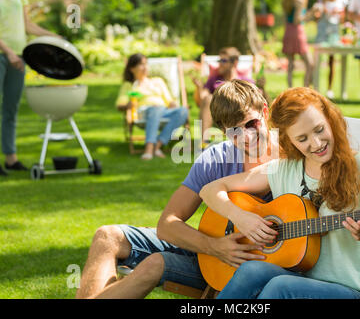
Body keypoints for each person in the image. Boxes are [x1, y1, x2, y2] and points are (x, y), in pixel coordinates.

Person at [199, 87, 360, 299]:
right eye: (302, 139)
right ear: (289, 141)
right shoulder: (284, 169)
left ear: (330, 121)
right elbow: (210, 190)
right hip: (305, 281)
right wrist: (241, 217)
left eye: (320, 130)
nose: (317, 143)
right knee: (251, 270)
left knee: (280, 287)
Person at [76, 80, 279, 298]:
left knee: (155, 263)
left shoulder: (293, 155)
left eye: (251, 124)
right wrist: (213, 246)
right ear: (222, 131)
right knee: (107, 237)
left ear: (264, 111)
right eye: (234, 131)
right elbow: (167, 224)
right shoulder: (215, 159)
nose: (246, 137)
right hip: (213, 253)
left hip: (258, 264)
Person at [0, 0, 59, 176]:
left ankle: (11, 159)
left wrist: (53, 37)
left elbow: (28, 25)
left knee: (11, 108)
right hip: (4, 55)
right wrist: (9, 52)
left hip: (18, 58)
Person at [116, 53, 188, 160]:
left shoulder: (158, 81)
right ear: (132, 69)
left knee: (183, 111)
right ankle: (149, 148)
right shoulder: (129, 85)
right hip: (142, 113)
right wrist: (129, 104)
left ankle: (157, 145)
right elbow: (120, 105)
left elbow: (169, 101)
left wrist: (173, 104)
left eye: (146, 64)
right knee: (156, 109)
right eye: (141, 64)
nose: (145, 67)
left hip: (163, 111)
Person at [192, 47, 257, 147]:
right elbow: (201, 101)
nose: (220, 64)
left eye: (223, 61)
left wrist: (261, 88)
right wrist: (199, 88)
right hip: (217, 116)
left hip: (238, 115)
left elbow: (258, 101)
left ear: (234, 63)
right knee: (208, 98)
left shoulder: (245, 81)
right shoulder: (214, 80)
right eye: (219, 60)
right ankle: (204, 143)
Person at [313, 0, 349, 99]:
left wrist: (339, 13)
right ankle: (315, 88)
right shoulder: (321, 2)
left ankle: (329, 89)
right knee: (316, 62)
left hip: (334, 34)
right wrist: (322, 10)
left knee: (331, 61)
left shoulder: (342, 2)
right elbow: (316, 18)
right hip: (321, 35)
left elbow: (343, 19)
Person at [282, 0, 314, 88]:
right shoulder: (299, 2)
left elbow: (285, 19)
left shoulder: (286, 1)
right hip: (297, 32)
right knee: (309, 63)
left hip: (288, 31)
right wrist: (311, 13)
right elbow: (297, 20)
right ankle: (306, 87)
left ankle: (289, 89)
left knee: (291, 65)